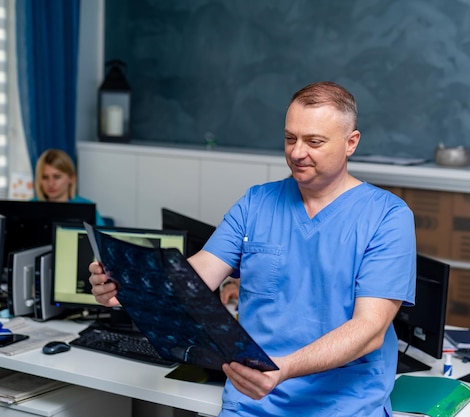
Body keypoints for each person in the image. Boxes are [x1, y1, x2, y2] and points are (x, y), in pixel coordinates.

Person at [88, 81, 417, 416]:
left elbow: (369, 330)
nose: (297, 152)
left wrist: (284, 369)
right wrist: (128, 289)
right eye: (290, 138)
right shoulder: (256, 203)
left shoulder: (388, 217)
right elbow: (195, 278)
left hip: (344, 406)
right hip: (252, 403)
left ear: (351, 143)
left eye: (314, 141)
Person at [32, 149, 106, 226]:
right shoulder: (30, 207)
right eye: (45, 177)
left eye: (57, 177)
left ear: (71, 178)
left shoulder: (86, 208)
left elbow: (102, 236)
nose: (50, 183)